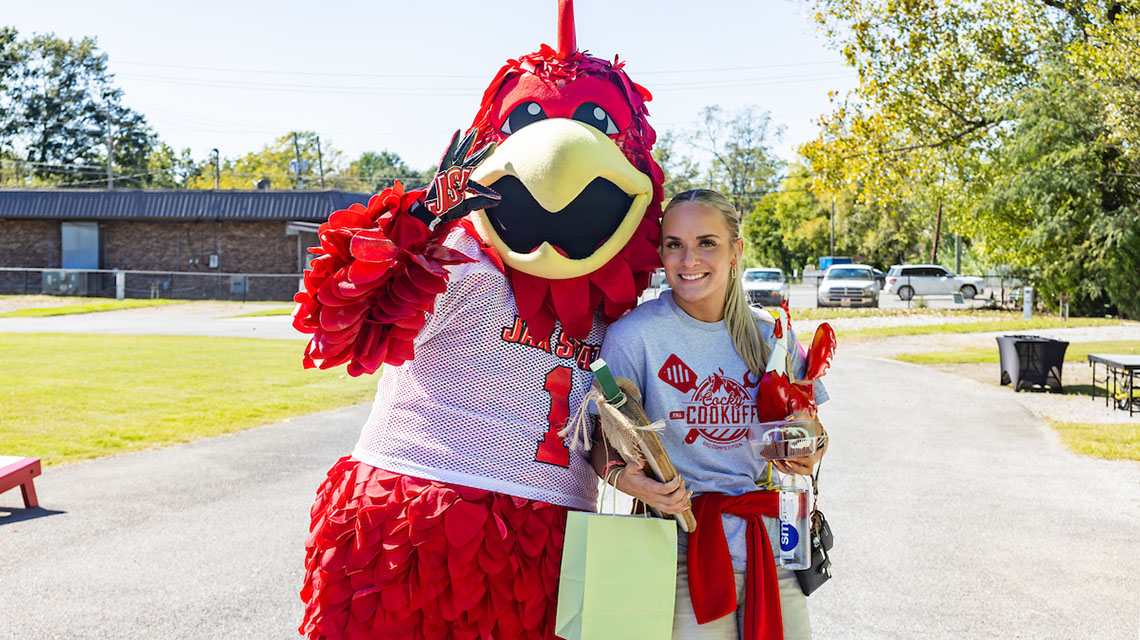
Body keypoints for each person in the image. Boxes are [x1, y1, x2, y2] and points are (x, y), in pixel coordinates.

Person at [592, 188, 828, 640]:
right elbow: (598, 439)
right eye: (674, 244)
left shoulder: (772, 334)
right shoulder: (635, 336)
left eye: (706, 243)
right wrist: (628, 479)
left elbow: (814, 429)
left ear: (736, 250)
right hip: (680, 550)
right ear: (660, 252)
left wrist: (809, 446)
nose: (688, 259)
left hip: (776, 547)